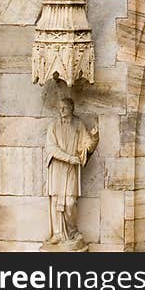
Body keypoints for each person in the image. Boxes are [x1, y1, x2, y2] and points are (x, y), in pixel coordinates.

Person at [42, 97, 99, 251]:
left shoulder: (78, 125)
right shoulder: (53, 126)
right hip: (58, 169)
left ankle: (72, 232)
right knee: (55, 202)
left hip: (71, 171)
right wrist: (69, 158)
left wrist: (94, 137)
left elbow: (87, 146)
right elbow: (51, 149)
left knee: (69, 203)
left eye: (65, 108)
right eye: (60, 108)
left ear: (71, 109)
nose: (61, 111)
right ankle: (58, 233)